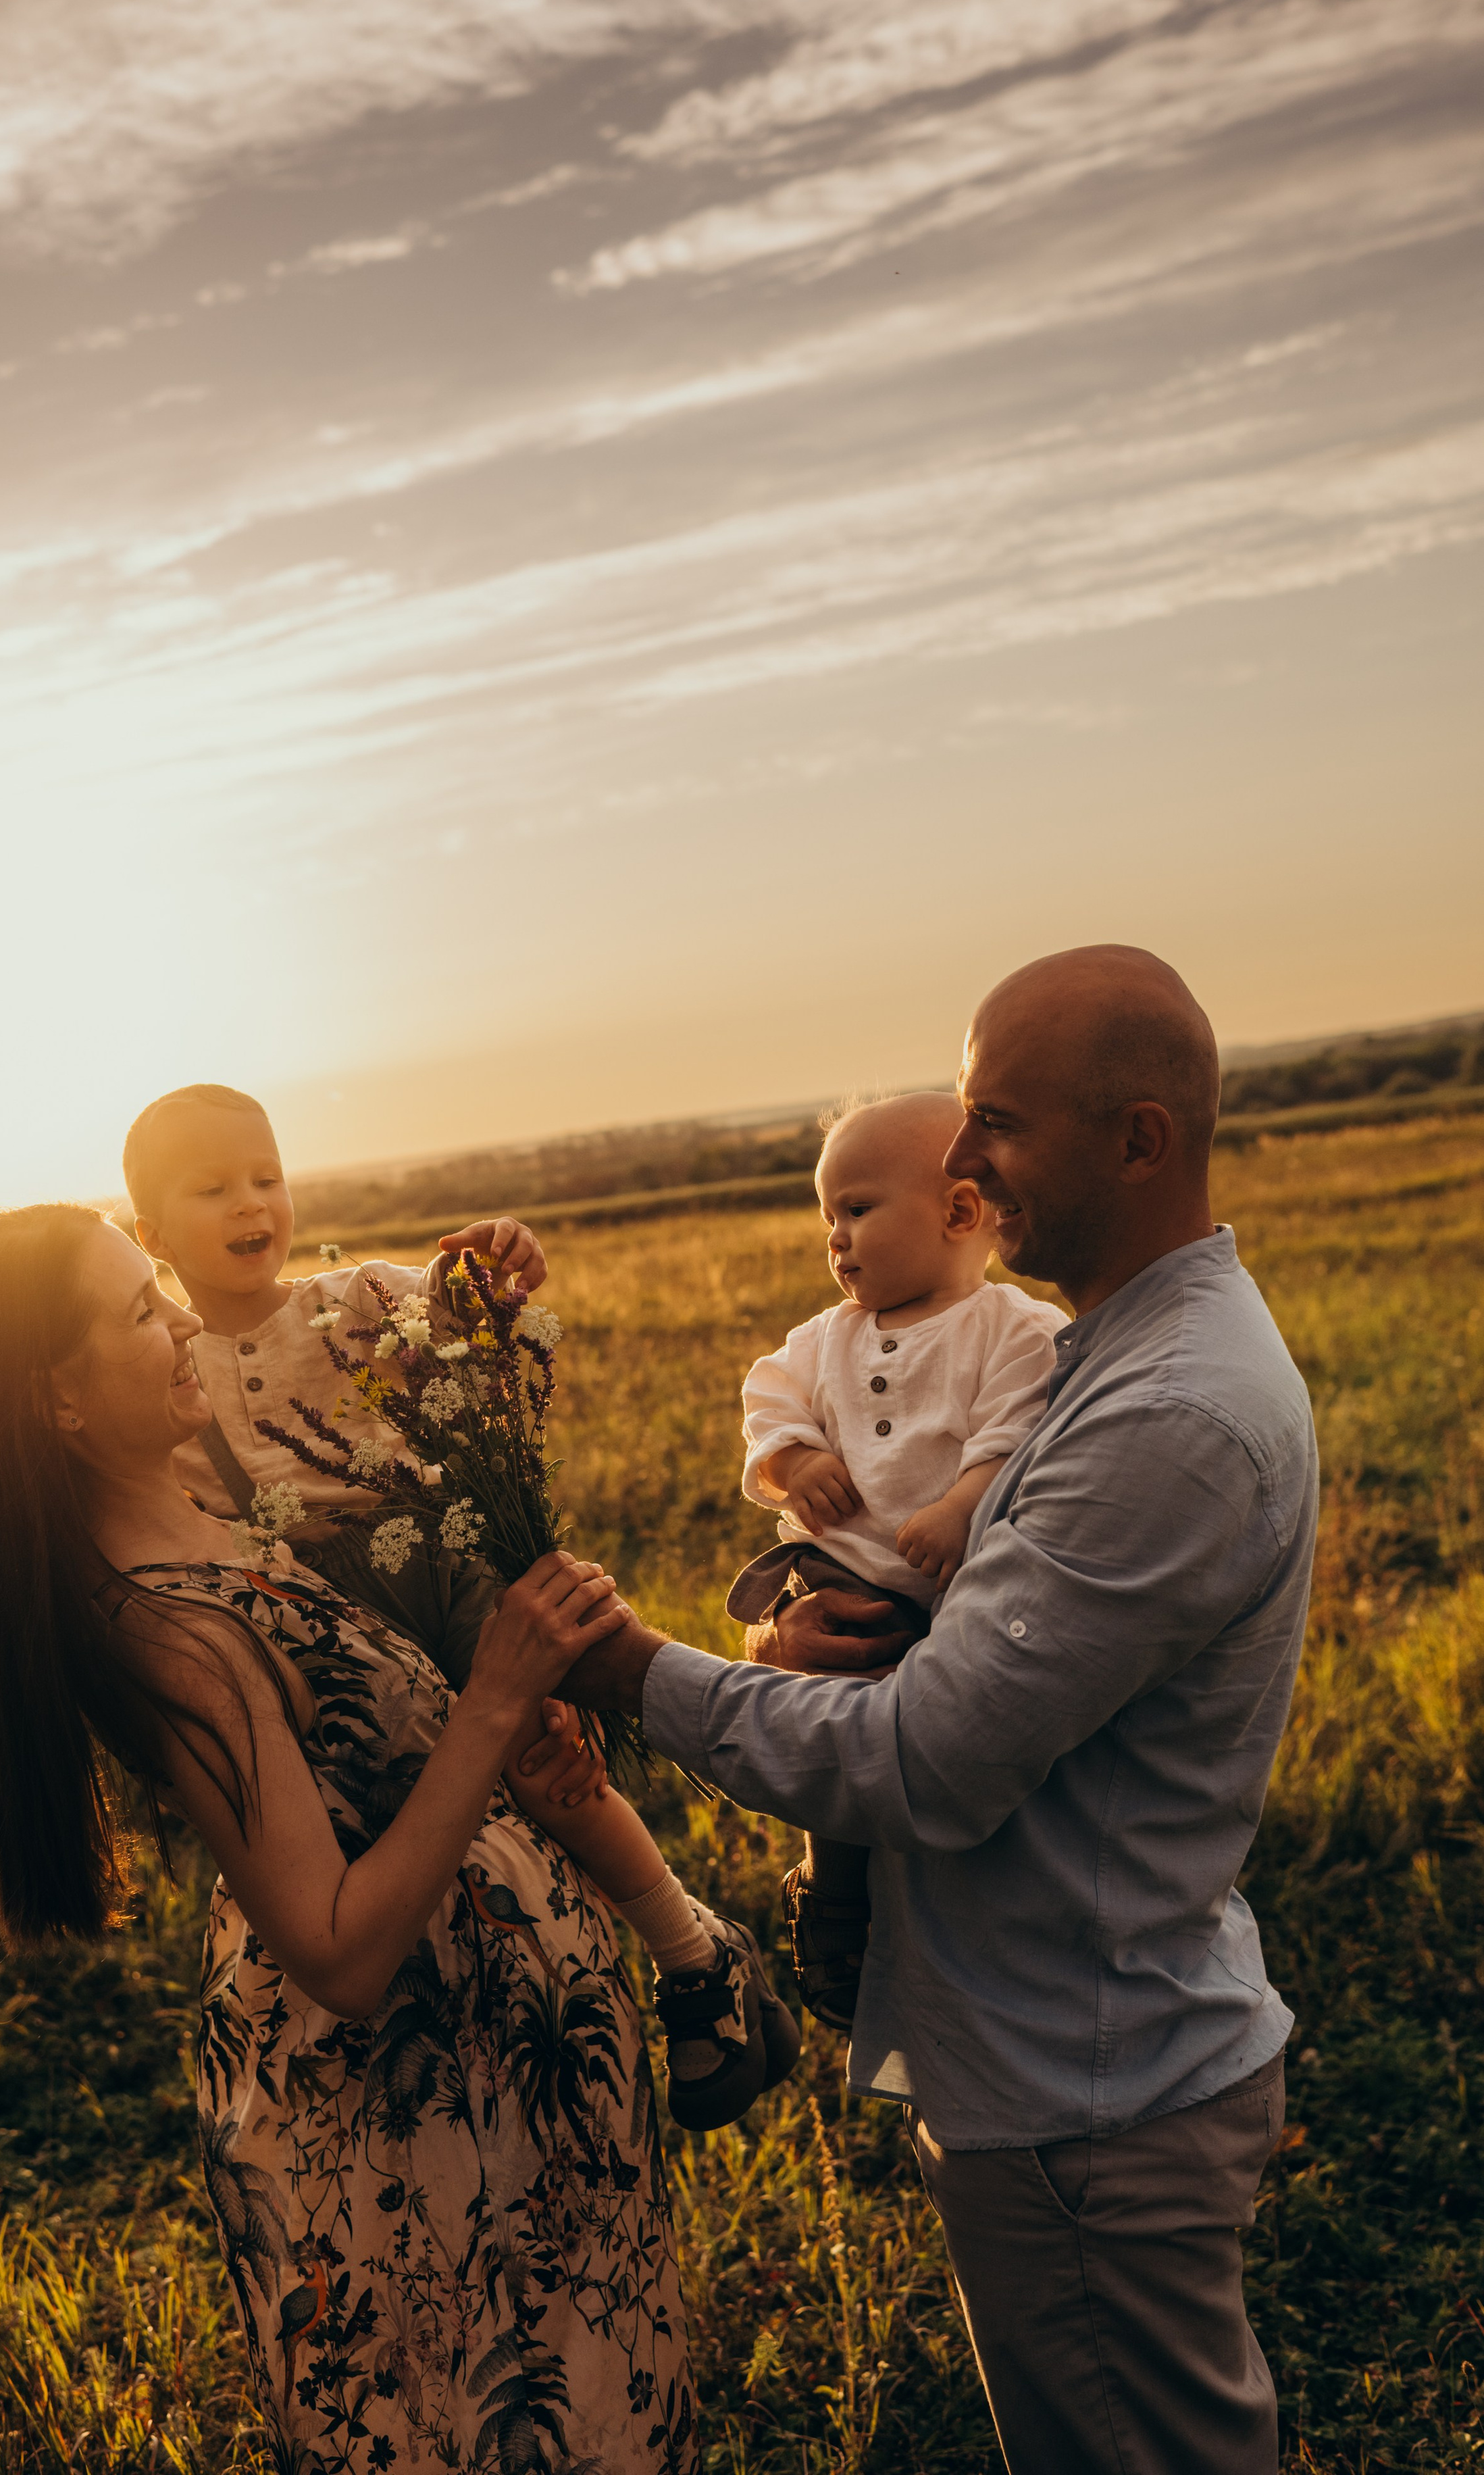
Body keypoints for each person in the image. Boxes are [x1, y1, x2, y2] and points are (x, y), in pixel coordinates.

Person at [565, 947, 1318, 2475]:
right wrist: (790, 1638)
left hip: (1081, 2100)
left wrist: (622, 1666)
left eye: (999, 1121)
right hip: (1056, 2056)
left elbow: (921, 1765)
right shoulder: (1105, 1361)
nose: (962, 1163)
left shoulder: (1161, 1414)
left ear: (1138, 1140)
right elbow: (956, 1648)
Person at [0, 1201, 705, 2472]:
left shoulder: (220, 1526)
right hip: (416, 2156)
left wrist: (495, 1750)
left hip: (505, 2119)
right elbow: (334, 1950)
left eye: (158, 1288)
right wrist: (488, 1701)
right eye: (134, 1311)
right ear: (52, 1402)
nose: (177, 1325)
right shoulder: (171, 1631)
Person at [122, 1081, 798, 2128]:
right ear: (150, 1234)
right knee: (399, 1812)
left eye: (267, 1177)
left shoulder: (348, 1303)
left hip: (436, 1563)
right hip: (316, 1615)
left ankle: (693, 1951)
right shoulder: (168, 1367)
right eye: (214, 1188)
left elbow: (466, 1310)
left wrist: (497, 1262)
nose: (253, 1202)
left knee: (539, 1757)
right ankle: (470, 2015)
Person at [727, 1091, 1058, 2028]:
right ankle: (831, 1893)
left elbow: (1016, 1426)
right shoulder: (824, 1337)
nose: (835, 1238)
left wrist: (962, 1502)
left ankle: (946, 1926)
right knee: (833, 1735)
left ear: (959, 1211)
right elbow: (770, 1394)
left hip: (953, 1588)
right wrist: (796, 1460)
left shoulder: (1011, 1330)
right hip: (838, 1575)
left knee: (932, 1755)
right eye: (827, 1216)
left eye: (858, 1209)